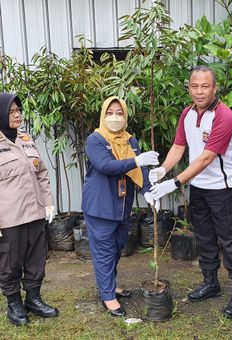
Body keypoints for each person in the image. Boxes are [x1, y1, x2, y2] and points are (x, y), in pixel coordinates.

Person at [150, 66, 232, 318]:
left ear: (215, 88)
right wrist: (162, 170)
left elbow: (206, 158)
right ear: (189, 87)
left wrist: (174, 183)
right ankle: (211, 283)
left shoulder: (224, 116)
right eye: (195, 86)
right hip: (200, 189)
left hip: (223, 189)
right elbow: (178, 146)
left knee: (231, 240)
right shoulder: (187, 113)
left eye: (205, 86)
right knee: (204, 237)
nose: (200, 91)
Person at [81, 96, 159, 317]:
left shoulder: (130, 141)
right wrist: (136, 161)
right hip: (100, 207)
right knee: (104, 251)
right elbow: (105, 166)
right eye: (110, 112)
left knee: (116, 248)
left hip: (122, 207)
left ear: (125, 116)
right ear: (103, 114)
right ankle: (107, 295)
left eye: (119, 113)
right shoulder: (95, 140)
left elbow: (140, 171)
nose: (114, 117)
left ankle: (109, 284)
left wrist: (148, 192)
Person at [0, 92, 58, 326]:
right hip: (9, 218)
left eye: (18, 111)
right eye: (11, 112)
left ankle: (33, 298)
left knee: (36, 258)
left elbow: (41, 173)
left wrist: (48, 202)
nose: (17, 115)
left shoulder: (26, 139)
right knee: (10, 262)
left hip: (34, 212)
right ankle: (14, 303)